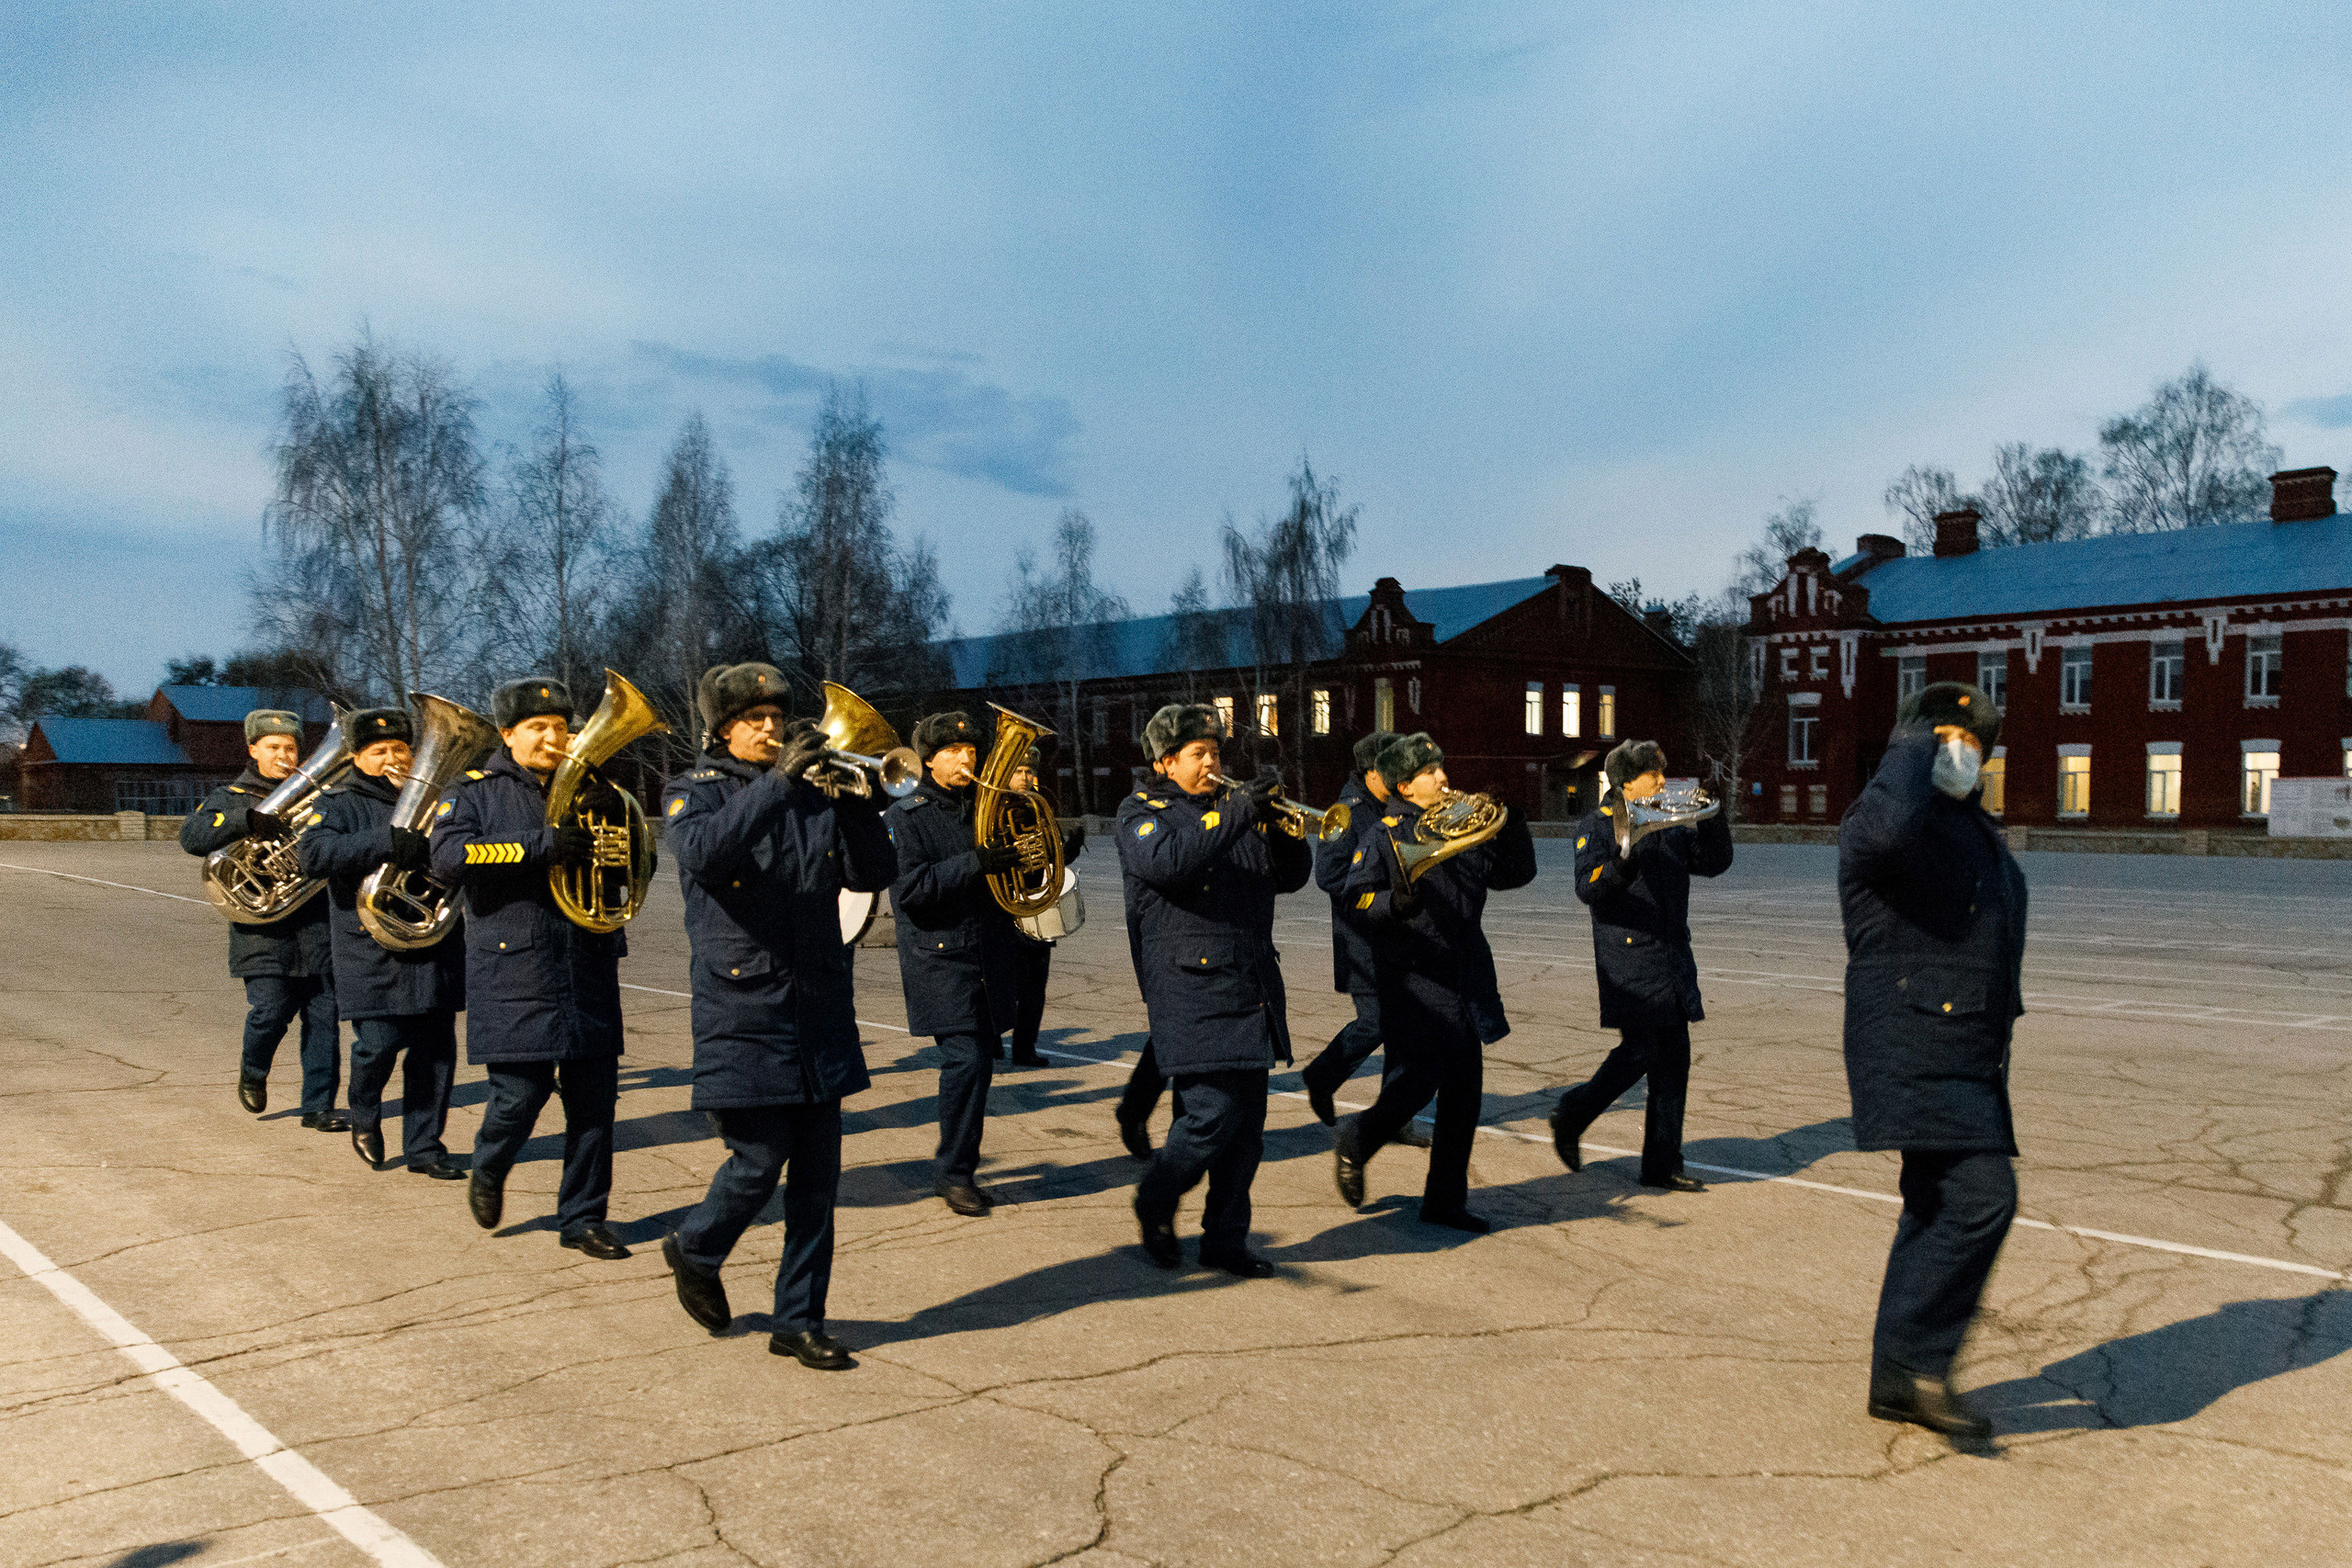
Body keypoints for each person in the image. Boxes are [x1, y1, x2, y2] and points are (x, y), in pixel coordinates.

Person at [657, 663, 897, 1371]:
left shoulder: (815, 792)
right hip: (744, 1006)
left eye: (776, 716)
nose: (769, 728)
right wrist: (779, 783)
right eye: (753, 718)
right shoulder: (691, 791)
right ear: (722, 728)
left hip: (819, 1002)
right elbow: (703, 852)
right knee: (757, 1162)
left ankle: (799, 1318)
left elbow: (874, 871)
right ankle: (696, 1245)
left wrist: (858, 802)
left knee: (819, 1179)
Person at [1841, 682, 2026, 1440]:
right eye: (1949, 736)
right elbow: (1883, 838)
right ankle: (1921, 1364)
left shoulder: (1969, 825)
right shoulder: (1888, 818)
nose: (1963, 751)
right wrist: (1911, 744)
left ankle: (1895, 1380)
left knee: (1936, 1202)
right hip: (1916, 1038)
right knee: (1984, 1196)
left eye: (1974, 742)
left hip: (1965, 1047)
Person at [430, 677, 630, 1260]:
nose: (553, 738)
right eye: (538, 729)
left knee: (595, 1104)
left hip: (586, 963)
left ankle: (584, 1218)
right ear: (508, 735)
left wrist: (607, 836)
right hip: (514, 968)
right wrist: (542, 844)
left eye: (561, 728)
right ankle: (490, 1165)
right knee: (520, 1095)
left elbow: (624, 873)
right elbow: (448, 858)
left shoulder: (596, 790)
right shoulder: (473, 792)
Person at [1119, 704, 1312, 1275]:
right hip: (1190, 987)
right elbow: (1171, 862)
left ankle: (1225, 1239)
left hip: (1248, 982)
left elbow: (1291, 878)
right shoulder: (1143, 812)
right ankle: (1155, 1198)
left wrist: (1278, 827)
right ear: (1164, 761)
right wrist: (1239, 811)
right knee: (1210, 1117)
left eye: (1216, 753)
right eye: (1198, 754)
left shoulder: (1233, 813)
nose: (1212, 764)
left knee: (1246, 1132)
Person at [1330, 733, 1535, 1232]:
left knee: (1465, 1094)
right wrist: (1392, 905)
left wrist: (1511, 824)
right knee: (1418, 1085)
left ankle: (1443, 1200)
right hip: (1413, 979)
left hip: (1464, 975)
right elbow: (1353, 899)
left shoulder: (1461, 826)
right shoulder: (1385, 835)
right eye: (1430, 772)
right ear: (1406, 784)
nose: (1443, 777)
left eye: (1442, 767)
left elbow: (1514, 874)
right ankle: (1360, 1135)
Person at [1549, 739, 1734, 1190]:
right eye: (1654, 773)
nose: (1663, 781)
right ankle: (1572, 1114)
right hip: (1627, 959)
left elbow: (1713, 862)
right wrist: (1624, 859)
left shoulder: (1669, 823)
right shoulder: (1597, 825)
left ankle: (1662, 1164)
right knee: (1642, 1051)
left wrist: (1713, 816)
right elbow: (1589, 888)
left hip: (1669, 956)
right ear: (1627, 782)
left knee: (1674, 1060)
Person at [296, 706, 464, 1178]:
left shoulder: (439, 798)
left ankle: (425, 1147)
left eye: (401, 749)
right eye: (379, 750)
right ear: (356, 756)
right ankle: (365, 1118)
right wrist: (387, 841)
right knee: (379, 1044)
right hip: (371, 946)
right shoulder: (338, 802)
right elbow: (313, 855)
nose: (393, 758)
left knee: (435, 1052)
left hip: (433, 941)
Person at [180, 707, 345, 1130]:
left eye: (290, 747)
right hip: (263, 933)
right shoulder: (230, 796)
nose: (283, 755)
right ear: (253, 749)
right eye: (273, 747)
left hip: (318, 927)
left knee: (324, 1021)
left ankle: (319, 1107)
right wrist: (246, 821)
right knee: (270, 1012)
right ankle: (253, 1071)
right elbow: (193, 836)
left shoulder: (320, 796)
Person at [887, 712, 1023, 1215]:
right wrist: (978, 862)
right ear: (927, 760)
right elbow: (913, 892)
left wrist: (1047, 854)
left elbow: (1008, 875)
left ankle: (959, 1165)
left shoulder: (987, 809)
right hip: (941, 957)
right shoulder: (908, 815)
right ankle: (955, 1173)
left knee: (981, 1065)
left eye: (971, 750)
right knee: (967, 1062)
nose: (967, 759)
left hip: (986, 952)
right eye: (952, 751)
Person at [1298, 729, 1424, 1147]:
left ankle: (1395, 1117)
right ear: (1371, 772)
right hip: (1363, 940)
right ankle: (1322, 1076)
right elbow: (1328, 876)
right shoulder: (1346, 813)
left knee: (1406, 1030)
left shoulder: (1396, 807)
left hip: (1401, 937)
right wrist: (1386, 888)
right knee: (1376, 1024)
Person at [1003, 744, 1084, 1068]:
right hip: (1005, 905)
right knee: (1001, 985)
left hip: (1037, 904)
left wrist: (1070, 850)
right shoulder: (992, 810)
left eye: (1029, 772)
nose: (1025, 777)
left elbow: (1050, 860)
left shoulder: (1038, 807)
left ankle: (1025, 1048)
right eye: (1019, 772)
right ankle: (992, 1040)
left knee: (1035, 988)